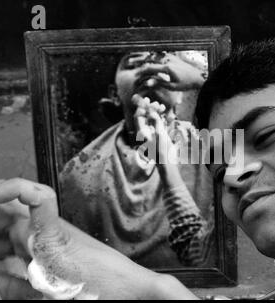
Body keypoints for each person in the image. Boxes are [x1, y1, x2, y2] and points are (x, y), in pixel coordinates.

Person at [0, 38, 275, 300]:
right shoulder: (83, 169)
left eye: (267, 136)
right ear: (114, 97)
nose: (234, 174)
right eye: (217, 168)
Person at [58, 51, 215, 268]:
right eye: (134, 64)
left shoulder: (212, 148)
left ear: (181, 93)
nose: (149, 69)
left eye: (160, 62)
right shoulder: (79, 171)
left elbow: (204, 255)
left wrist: (202, 77)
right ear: (114, 94)